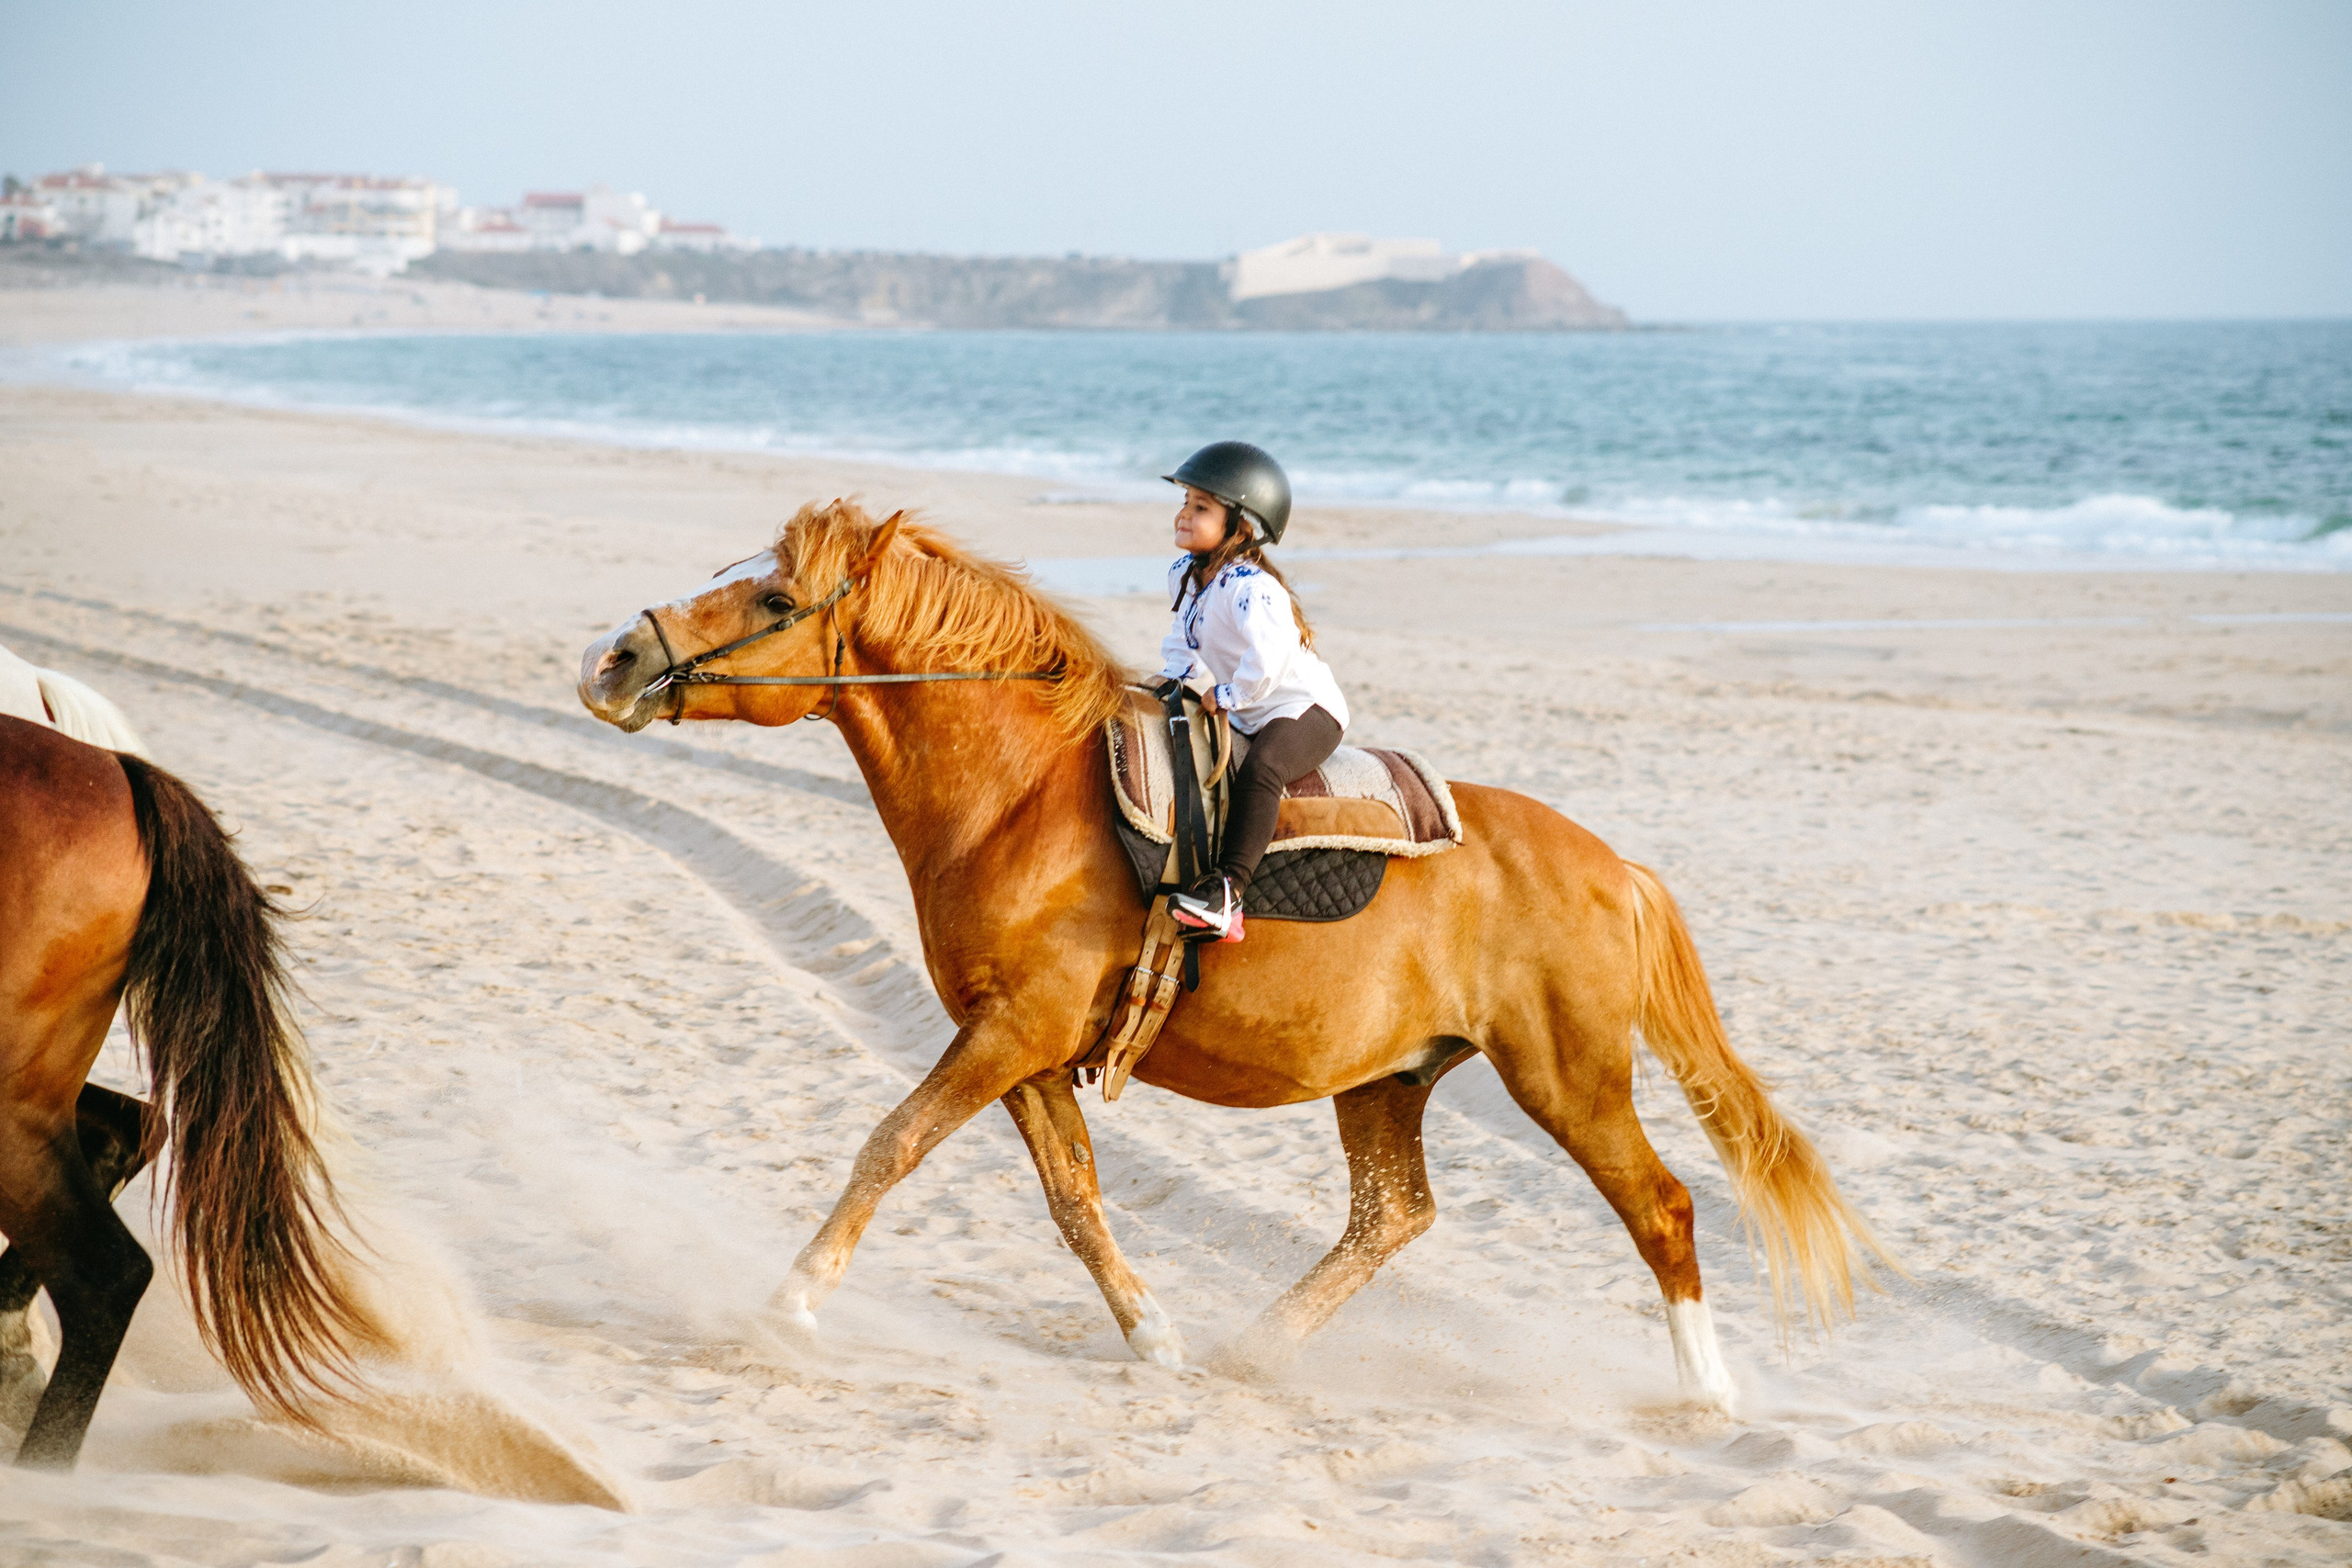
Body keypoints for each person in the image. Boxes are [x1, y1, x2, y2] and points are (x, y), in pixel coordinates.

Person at [1157, 442, 1350, 942]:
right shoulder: (1190, 575)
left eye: (1201, 508)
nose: (1184, 514)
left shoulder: (1252, 587)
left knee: (1263, 769)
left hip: (1303, 710)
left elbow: (1270, 660)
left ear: (1240, 526)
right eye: (1185, 503)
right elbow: (1183, 637)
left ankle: (1228, 894)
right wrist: (1172, 680)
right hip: (1251, 708)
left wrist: (1227, 693)